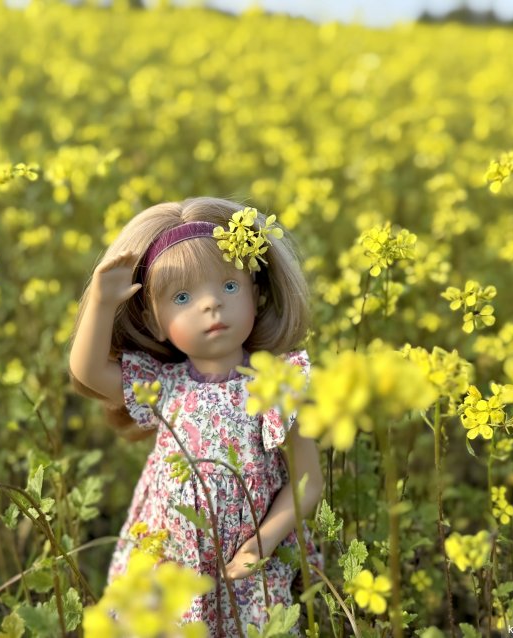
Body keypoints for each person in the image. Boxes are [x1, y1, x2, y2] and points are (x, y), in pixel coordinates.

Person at [67, 196, 323, 636]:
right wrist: (101, 303)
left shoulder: (279, 384)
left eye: (229, 287)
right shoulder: (161, 387)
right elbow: (87, 371)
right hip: (174, 562)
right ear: (155, 322)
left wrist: (260, 545)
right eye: (183, 297)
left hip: (249, 565)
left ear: (256, 293)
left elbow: (307, 481)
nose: (211, 307)